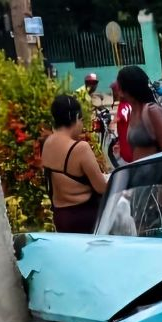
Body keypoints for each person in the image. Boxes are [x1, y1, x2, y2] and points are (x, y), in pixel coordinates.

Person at [41, 96, 109, 234]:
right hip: (84, 218)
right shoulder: (80, 148)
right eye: (82, 120)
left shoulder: (47, 143)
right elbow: (102, 188)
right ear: (77, 117)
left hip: (60, 217)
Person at [117, 65, 162, 161]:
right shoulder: (132, 112)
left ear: (126, 89)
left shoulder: (152, 111)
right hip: (139, 174)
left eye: (119, 86)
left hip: (156, 174)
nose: (117, 90)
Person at [111, 81, 134, 164]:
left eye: (114, 91)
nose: (114, 93)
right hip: (128, 137)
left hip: (126, 140)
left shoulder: (123, 104)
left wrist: (112, 122)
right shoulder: (129, 103)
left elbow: (121, 115)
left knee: (127, 159)